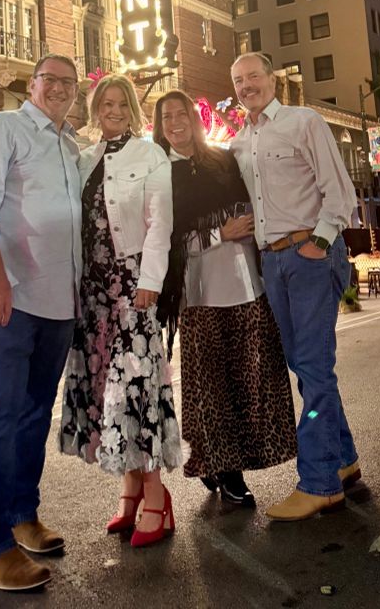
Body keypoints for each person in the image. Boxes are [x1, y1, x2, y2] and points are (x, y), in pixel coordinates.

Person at [0, 54, 83, 593]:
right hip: (9, 297)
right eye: (49, 79)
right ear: (32, 85)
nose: (59, 88)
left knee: (34, 413)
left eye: (68, 82)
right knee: (0, 412)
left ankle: (21, 515)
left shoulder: (71, 146)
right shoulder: (3, 127)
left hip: (60, 301)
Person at [230, 53, 359, 521]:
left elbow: (339, 191)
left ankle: (320, 483)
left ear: (273, 79)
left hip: (309, 254)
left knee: (314, 366)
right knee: (304, 366)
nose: (247, 85)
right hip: (273, 261)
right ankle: (343, 460)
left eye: (254, 76)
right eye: (239, 80)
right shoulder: (239, 142)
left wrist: (319, 243)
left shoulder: (304, 122)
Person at [153, 90, 297, 508]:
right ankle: (224, 468)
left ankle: (236, 460)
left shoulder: (224, 160)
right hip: (199, 296)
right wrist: (219, 233)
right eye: (166, 117)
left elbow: (256, 208)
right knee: (210, 389)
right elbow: (163, 240)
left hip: (247, 286)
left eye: (182, 113)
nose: (175, 122)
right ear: (159, 126)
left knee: (252, 381)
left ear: (195, 118)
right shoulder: (159, 173)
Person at [59, 74, 180, 547]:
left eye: (121, 103)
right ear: (95, 109)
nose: (113, 110)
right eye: (105, 103)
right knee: (108, 395)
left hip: (132, 286)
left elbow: (160, 223)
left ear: (132, 109)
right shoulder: (84, 159)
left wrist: (150, 281)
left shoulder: (150, 155)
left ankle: (156, 497)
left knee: (137, 389)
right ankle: (130, 491)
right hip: (92, 294)